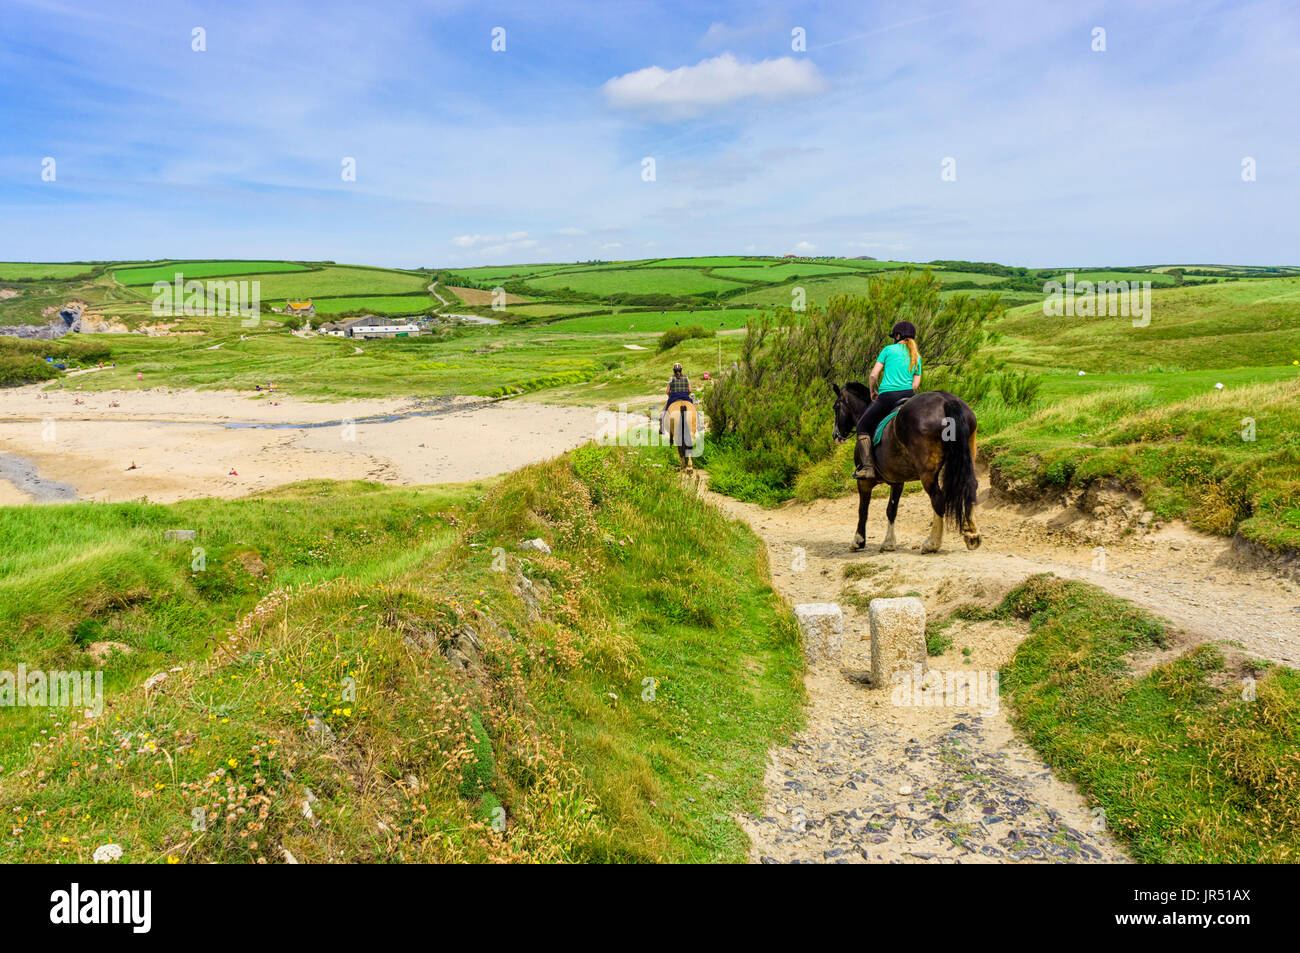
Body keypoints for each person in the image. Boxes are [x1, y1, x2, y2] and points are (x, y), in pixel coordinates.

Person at [855, 320, 922, 479]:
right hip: (909, 396)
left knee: (863, 426)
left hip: (888, 397)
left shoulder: (888, 350)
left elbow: (873, 375)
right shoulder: (916, 355)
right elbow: (916, 384)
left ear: (898, 335)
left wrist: (873, 391)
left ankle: (868, 468)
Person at [660, 362, 694, 435]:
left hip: (674, 397)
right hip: (685, 396)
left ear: (674, 370)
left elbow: (667, 391)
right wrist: (686, 395)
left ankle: (661, 427)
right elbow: (690, 390)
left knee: (665, 411)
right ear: (681, 370)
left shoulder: (671, 378)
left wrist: (670, 396)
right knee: (693, 408)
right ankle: (699, 424)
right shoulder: (686, 377)